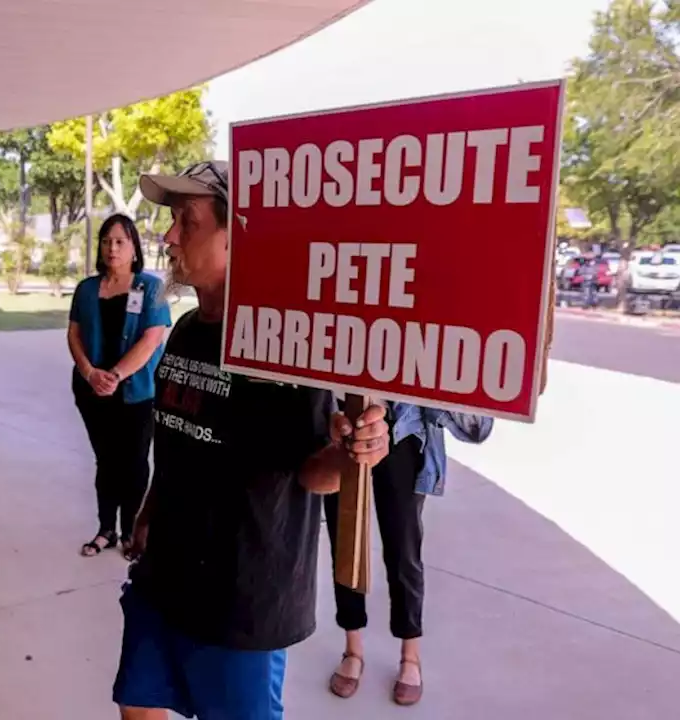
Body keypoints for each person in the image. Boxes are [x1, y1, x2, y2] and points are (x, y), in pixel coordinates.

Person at [112, 161, 391, 720]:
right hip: (166, 571)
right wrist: (149, 509)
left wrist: (353, 451)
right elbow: (175, 439)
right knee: (138, 706)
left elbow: (313, 471)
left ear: (236, 234)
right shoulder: (188, 331)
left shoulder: (282, 344)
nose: (167, 237)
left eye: (186, 222)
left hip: (241, 594)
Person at [324, 403, 492, 706]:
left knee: (404, 548)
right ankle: (353, 649)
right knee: (345, 539)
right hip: (341, 421)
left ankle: (410, 655)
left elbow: (477, 426)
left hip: (404, 430)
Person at [67, 214, 171, 557]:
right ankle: (106, 530)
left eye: (120, 241)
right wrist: (89, 373)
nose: (112, 248)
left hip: (136, 392)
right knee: (106, 460)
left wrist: (114, 376)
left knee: (135, 462)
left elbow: (151, 339)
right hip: (91, 391)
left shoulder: (150, 288)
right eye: (106, 241)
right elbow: (74, 334)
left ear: (134, 248)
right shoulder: (86, 289)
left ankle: (132, 532)